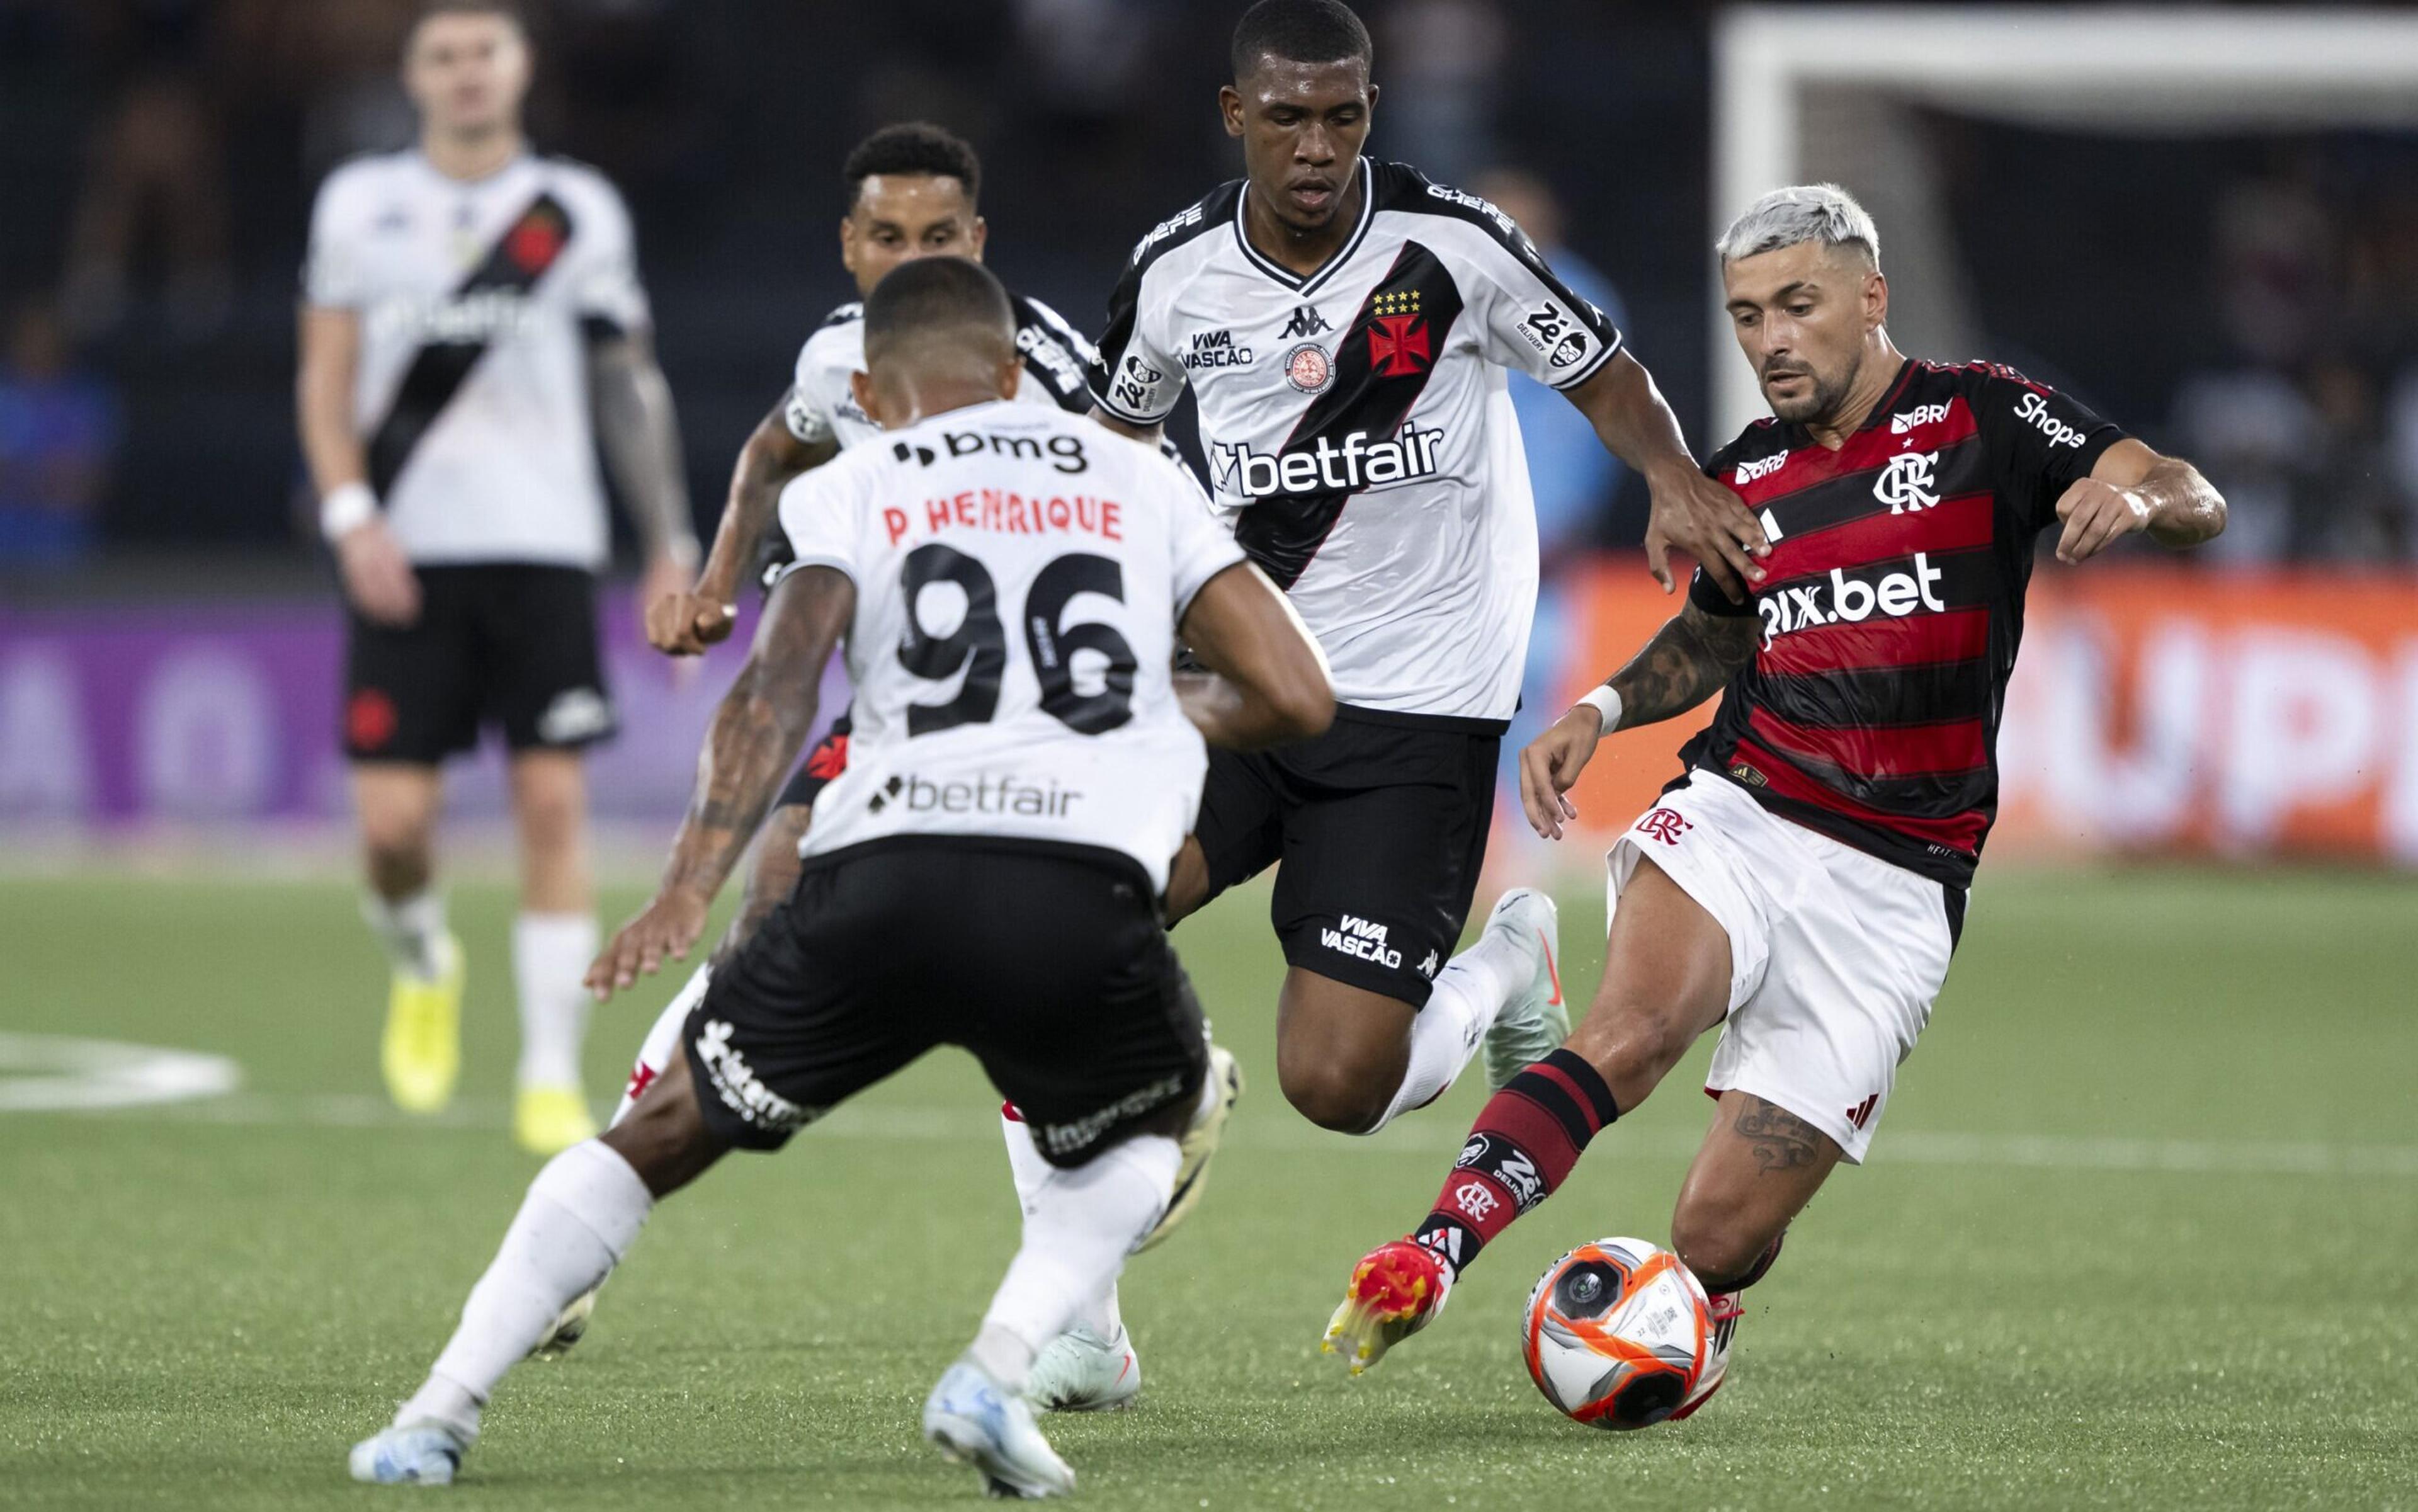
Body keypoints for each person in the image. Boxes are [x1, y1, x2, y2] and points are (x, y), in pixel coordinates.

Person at [348, 256, 1334, 1497]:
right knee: (1154, 1115)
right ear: (1019, 373)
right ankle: (996, 1362)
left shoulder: (860, 477)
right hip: (1072, 890)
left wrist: (685, 880)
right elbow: (1299, 694)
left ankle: (435, 1415)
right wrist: (1141, 703)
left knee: (658, 1133)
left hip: (880, 874)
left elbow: (778, 685)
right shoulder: (1141, 477)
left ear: (873, 388)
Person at [1322, 185, 2227, 1416]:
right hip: (1746, 809)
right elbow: (1710, 640)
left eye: (1797, 305)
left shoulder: (1984, 416)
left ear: (1870, 297)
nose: (1771, 340)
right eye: (1748, 316)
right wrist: (1598, 710)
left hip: (1900, 885)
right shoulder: (1743, 474)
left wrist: (2146, 499)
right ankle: (1431, 1249)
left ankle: (1709, 1296)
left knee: (1718, 1229)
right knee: (1636, 1029)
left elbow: (2181, 483)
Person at [582, 122, 1242, 1411]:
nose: (910, 258)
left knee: (984, 975)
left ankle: (1158, 1125)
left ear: (977, 243)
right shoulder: (844, 357)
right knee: (780, 900)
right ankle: (598, 1219)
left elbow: (1160, 522)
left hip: (1060, 721)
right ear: (851, 244)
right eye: (889, 237)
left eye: (938, 238)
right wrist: (718, 584)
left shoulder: (1047, 370)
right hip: (919, 713)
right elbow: (778, 447)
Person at [1084, 0, 1767, 1150]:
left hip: (1415, 705)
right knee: (1079, 908)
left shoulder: (1453, 245)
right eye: (1288, 118)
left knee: (1337, 1085)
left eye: (1342, 117)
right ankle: (1098, 1269)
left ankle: (1503, 964)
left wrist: (1670, 473)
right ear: (1233, 112)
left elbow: (1604, 373)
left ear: (1372, 112)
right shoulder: (1175, 274)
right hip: (1246, 680)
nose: (1316, 146)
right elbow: (1112, 446)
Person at [294, 0, 696, 1154]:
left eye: (486, 51)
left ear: (520, 67)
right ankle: (425, 962)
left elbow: (630, 385)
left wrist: (665, 535)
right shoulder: (360, 205)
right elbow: (324, 383)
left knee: (553, 806)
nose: (467, 72)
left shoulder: (575, 210)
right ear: (414, 74)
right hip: (403, 556)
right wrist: (350, 512)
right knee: (395, 831)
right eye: (444, 55)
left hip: (544, 544)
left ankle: (543, 1072)